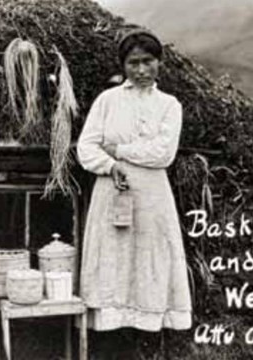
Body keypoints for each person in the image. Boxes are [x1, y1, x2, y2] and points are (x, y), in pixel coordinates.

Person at [76, 28, 192, 346]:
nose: (141, 70)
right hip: (111, 191)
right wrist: (110, 165)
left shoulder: (170, 105)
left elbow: (163, 153)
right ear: (123, 65)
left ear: (159, 63)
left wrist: (121, 151)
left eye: (148, 61)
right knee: (114, 253)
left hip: (152, 196)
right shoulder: (108, 101)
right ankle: (110, 339)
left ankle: (147, 335)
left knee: (149, 255)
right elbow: (87, 148)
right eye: (133, 63)